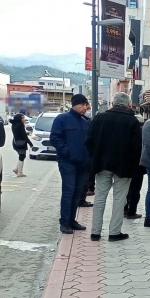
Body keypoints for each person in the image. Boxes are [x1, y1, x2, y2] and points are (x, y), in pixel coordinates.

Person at [86, 93, 142, 242]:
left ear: (112, 103)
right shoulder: (132, 121)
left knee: (99, 198)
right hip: (124, 167)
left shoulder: (99, 118)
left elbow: (89, 141)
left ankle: (95, 232)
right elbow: (137, 148)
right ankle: (114, 232)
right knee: (119, 199)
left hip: (102, 165)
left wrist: (96, 157)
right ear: (128, 104)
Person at [50, 95, 92, 234]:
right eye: (84, 105)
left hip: (82, 164)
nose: (86, 108)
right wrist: (66, 152)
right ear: (76, 105)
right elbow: (55, 138)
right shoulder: (62, 119)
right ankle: (65, 222)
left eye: (87, 105)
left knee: (77, 193)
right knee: (68, 192)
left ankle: (72, 220)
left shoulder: (85, 122)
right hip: (67, 162)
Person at [124, 114, 147, 220]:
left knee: (125, 189)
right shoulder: (141, 134)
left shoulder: (125, 133)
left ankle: (124, 209)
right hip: (138, 166)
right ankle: (131, 211)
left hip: (126, 165)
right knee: (135, 189)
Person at [10, 113, 33, 177]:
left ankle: (16, 169)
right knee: (22, 156)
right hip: (21, 143)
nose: (24, 119)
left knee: (22, 156)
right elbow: (24, 136)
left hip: (15, 142)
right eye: (22, 118)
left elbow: (19, 133)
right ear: (19, 119)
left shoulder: (14, 124)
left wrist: (26, 133)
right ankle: (19, 172)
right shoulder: (20, 125)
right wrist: (30, 144)